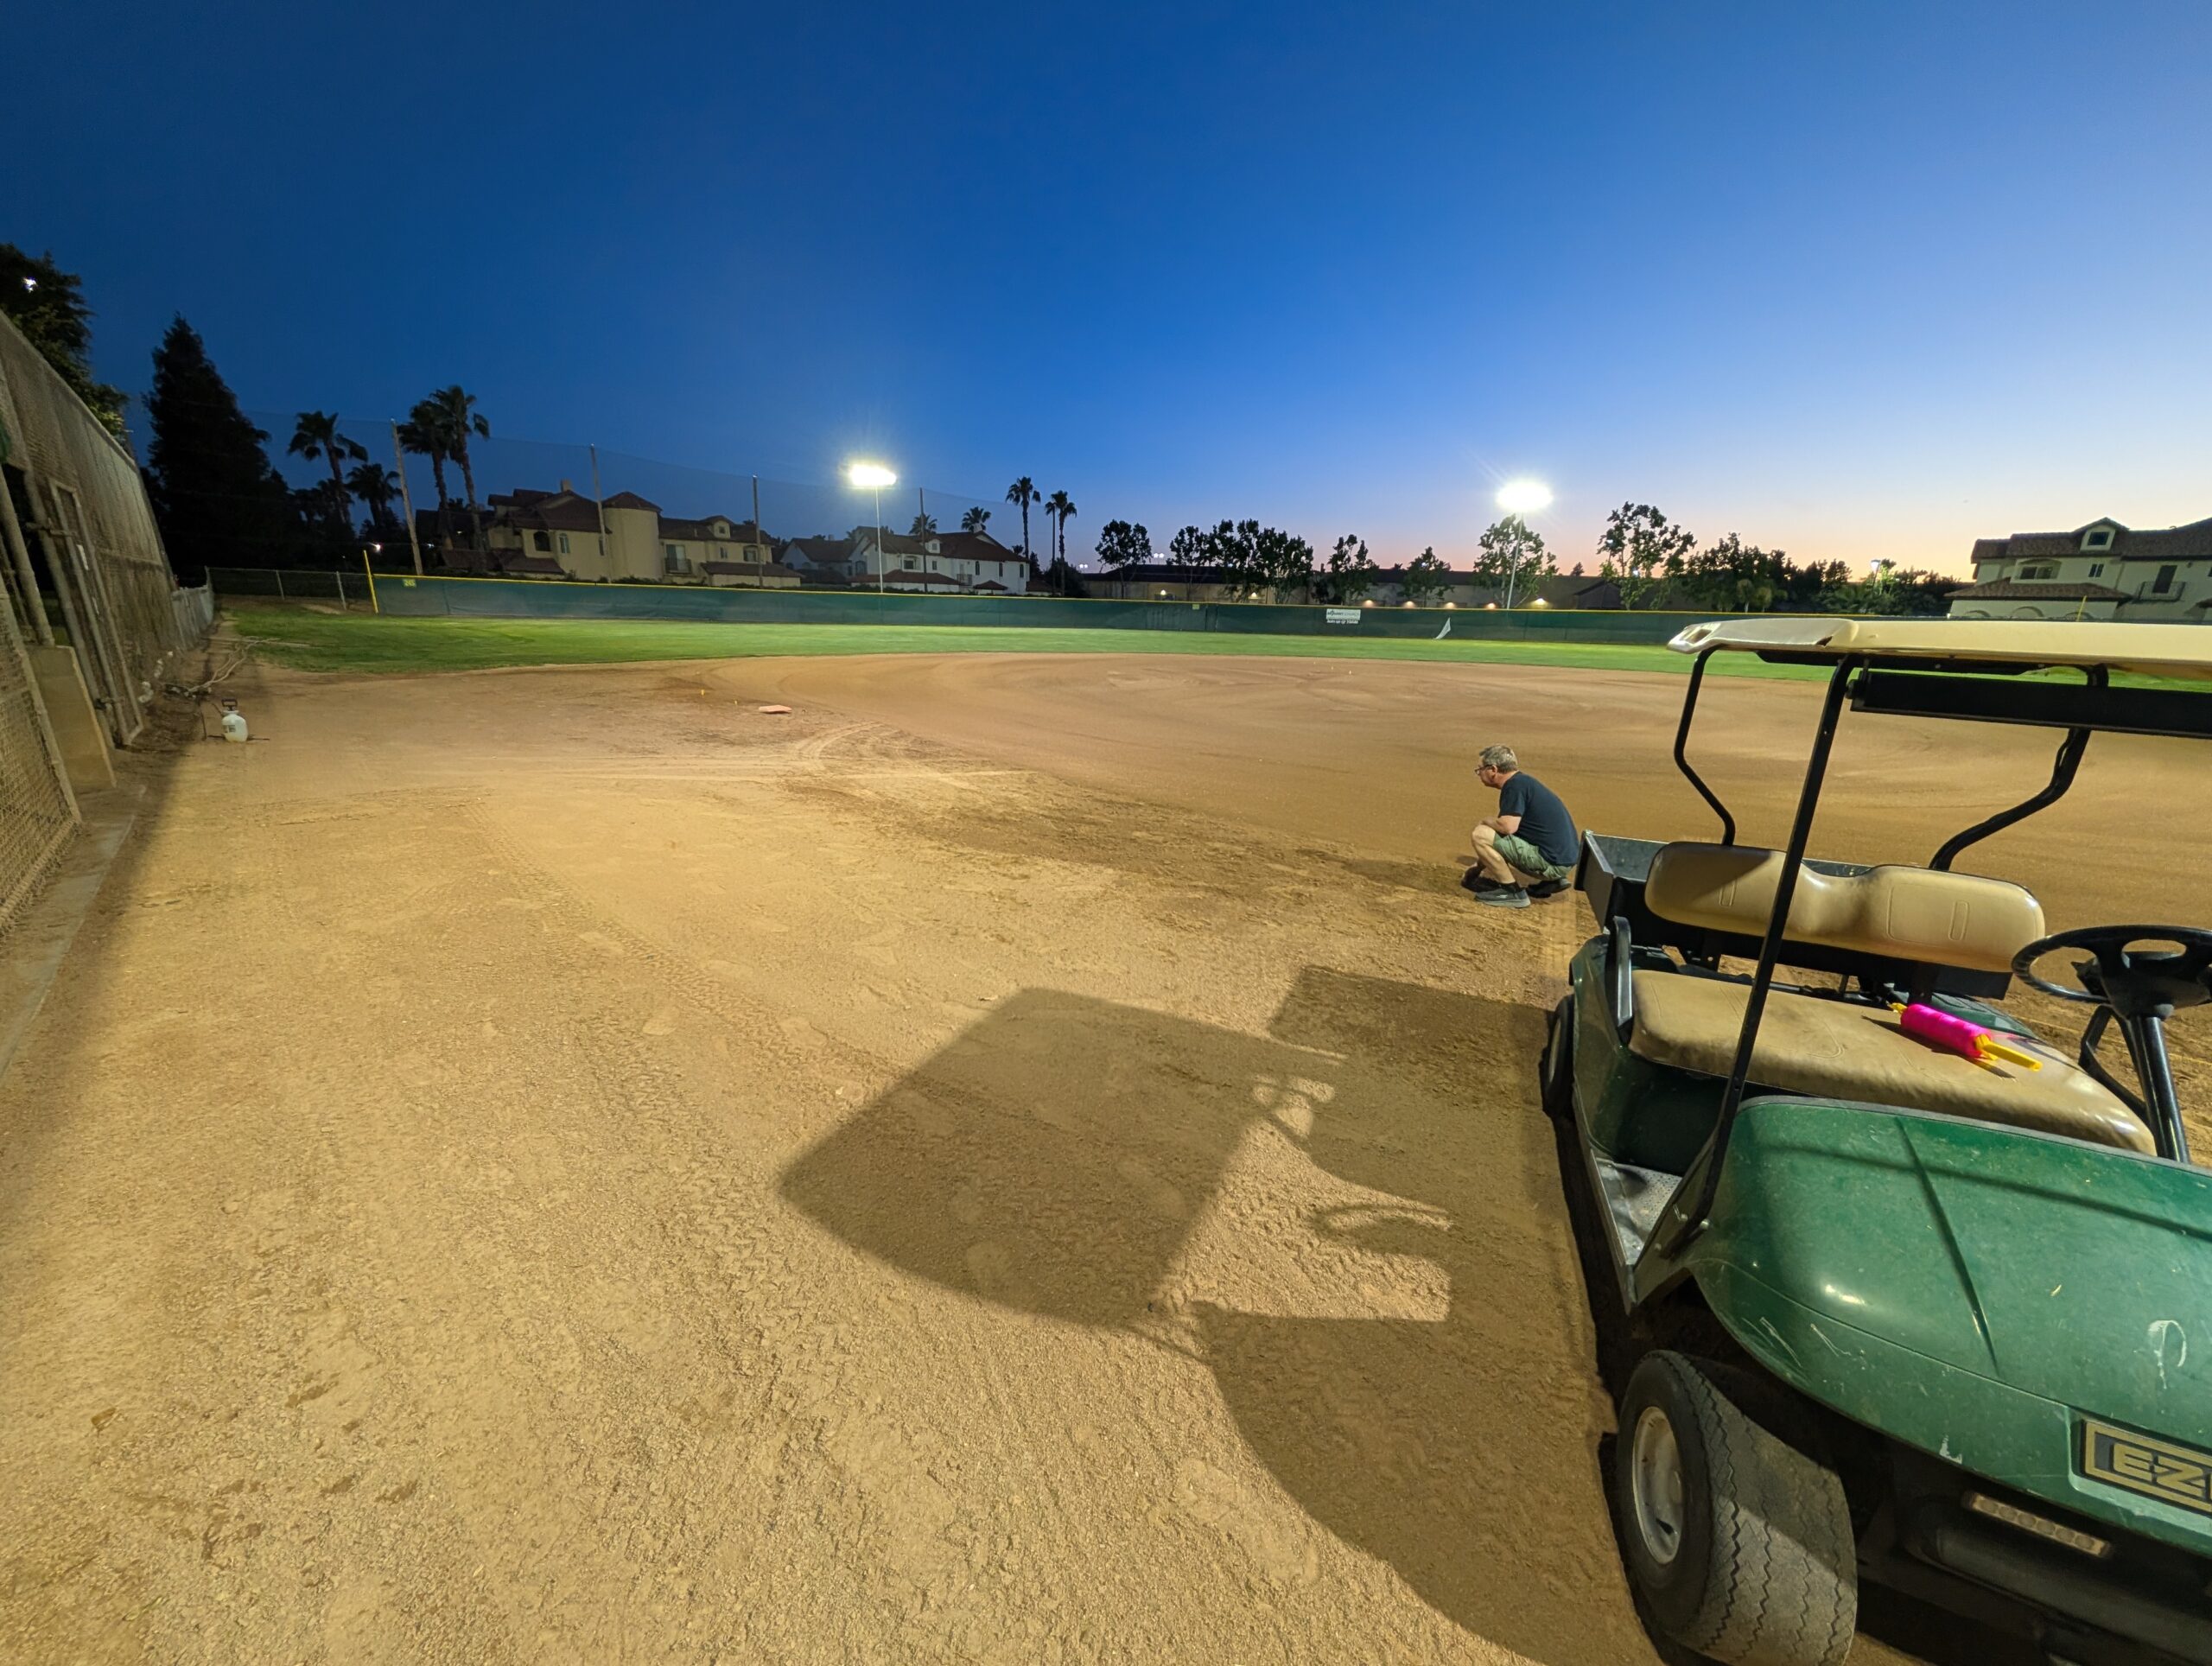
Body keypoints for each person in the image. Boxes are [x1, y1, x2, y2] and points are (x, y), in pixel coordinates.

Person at [1466, 744, 1580, 909]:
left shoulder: (1514, 786)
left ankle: (1512, 892)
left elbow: (1507, 828)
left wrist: (1485, 821)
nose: (1479, 774)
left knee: (1481, 834)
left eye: (1479, 770)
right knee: (1494, 834)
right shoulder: (1524, 782)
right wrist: (1477, 868)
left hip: (1552, 863)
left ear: (1493, 770)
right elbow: (1503, 840)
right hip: (1564, 861)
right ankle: (1552, 882)